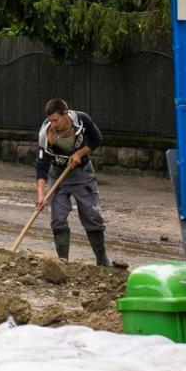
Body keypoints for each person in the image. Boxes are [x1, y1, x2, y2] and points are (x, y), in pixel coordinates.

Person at [35, 97, 110, 266]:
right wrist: (41, 194)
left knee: (92, 216)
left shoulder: (82, 120)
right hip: (58, 175)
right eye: (50, 120)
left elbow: (97, 139)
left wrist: (80, 153)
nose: (53, 124)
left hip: (82, 174)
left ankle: (102, 259)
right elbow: (41, 166)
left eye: (56, 120)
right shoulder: (45, 134)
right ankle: (63, 262)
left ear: (66, 114)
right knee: (58, 218)